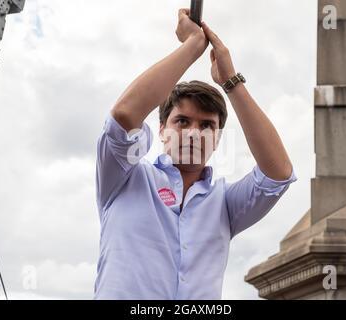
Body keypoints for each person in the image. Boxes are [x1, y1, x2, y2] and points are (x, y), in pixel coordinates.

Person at [94, 8, 297, 300]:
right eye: (182, 121)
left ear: (216, 139)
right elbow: (123, 116)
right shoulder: (123, 178)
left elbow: (279, 174)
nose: (193, 133)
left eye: (206, 125)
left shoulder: (225, 203)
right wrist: (192, 46)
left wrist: (231, 81)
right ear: (162, 129)